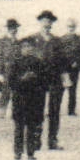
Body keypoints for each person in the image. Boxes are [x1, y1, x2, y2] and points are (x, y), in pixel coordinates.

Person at [9, 36, 50, 160]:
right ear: (20, 49)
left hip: (34, 100)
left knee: (32, 127)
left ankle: (31, 152)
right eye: (24, 47)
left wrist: (35, 78)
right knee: (19, 127)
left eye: (29, 46)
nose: (27, 49)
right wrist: (22, 79)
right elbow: (10, 82)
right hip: (20, 99)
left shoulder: (38, 63)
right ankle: (17, 152)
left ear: (33, 48)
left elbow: (45, 82)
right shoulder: (15, 63)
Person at [34, 10, 66, 149]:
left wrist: (65, 77)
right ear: (40, 22)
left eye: (49, 21)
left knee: (54, 110)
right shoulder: (32, 40)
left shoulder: (57, 41)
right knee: (37, 109)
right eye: (44, 21)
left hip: (55, 79)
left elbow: (63, 62)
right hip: (38, 79)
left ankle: (52, 140)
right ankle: (35, 140)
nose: (47, 24)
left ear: (52, 24)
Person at [0, 17, 22, 118]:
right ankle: (1, 111)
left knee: (17, 90)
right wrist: (5, 61)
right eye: (12, 28)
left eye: (15, 28)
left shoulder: (18, 42)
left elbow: (20, 55)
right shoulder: (2, 41)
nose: (14, 30)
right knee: (6, 90)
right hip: (6, 69)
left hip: (17, 69)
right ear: (8, 29)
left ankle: (15, 112)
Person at [58, 19, 80, 116]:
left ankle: (71, 110)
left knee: (73, 90)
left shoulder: (79, 39)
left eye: (73, 26)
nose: (71, 28)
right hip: (64, 68)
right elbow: (60, 53)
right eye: (69, 26)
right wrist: (64, 64)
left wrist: (77, 61)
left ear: (75, 27)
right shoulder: (62, 39)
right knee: (61, 89)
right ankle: (56, 109)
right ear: (67, 27)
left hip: (75, 67)